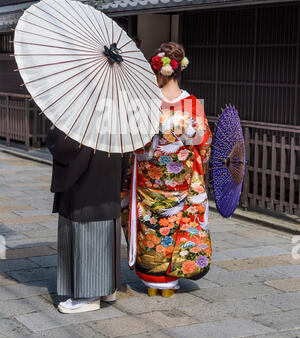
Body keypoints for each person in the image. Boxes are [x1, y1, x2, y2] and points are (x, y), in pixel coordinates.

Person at [121, 42, 212, 297]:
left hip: (148, 183)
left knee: (151, 230)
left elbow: (132, 143)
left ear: (160, 72)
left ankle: (152, 281)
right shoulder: (193, 105)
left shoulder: (145, 105)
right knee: (176, 228)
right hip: (181, 183)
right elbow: (203, 147)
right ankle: (170, 281)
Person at [47, 126, 124, 313]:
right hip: (109, 176)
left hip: (85, 182)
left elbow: (66, 148)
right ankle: (107, 288)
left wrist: (53, 131)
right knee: (105, 228)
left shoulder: (80, 116)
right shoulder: (115, 114)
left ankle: (88, 296)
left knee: (85, 229)